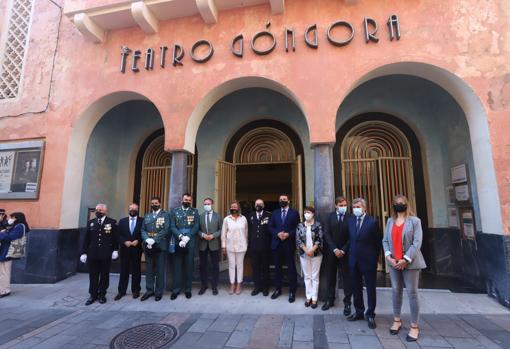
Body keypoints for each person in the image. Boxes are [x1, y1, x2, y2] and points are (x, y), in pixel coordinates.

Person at [383, 194, 426, 342]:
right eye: (396, 203)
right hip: (393, 262)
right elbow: (385, 240)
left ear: (406, 204)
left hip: (410, 263)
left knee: (412, 293)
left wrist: (406, 259)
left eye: (401, 203)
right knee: (396, 291)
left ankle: (414, 326)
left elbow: (417, 242)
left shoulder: (415, 221)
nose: (399, 205)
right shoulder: (390, 221)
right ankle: (397, 320)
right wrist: (388, 256)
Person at [345, 198, 381, 329]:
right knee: (356, 288)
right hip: (353, 260)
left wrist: (375, 259)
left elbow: (378, 243)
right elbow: (350, 240)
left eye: (358, 206)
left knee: (371, 288)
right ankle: (359, 311)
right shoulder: (350, 221)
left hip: (368, 261)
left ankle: (370, 313)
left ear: (365, 208)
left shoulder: (372, 222)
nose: (355, 209)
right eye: (354, 207)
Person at [80, 204, 119, 305]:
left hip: (105, 254)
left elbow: (115, 238)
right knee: (93, 275)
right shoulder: (91, 223)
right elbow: (86, 239)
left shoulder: (112, 222)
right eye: (97, 210)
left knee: (104, 275)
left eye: (100, 210)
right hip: (93, 254)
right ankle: (92, 295)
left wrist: (115, 250)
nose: (98, 212)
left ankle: (102, 295)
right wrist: (83, 253)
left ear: (105, 211)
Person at [322, 196, 353, 314]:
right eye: (341, 205)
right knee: (330, 277)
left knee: (347, 279)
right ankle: (329, 300)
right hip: (331, 252)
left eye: (345, 205)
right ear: (336, 206)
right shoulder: (329, 217)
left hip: (346, 253)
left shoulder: (351, 217)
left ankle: (347, 303)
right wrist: (335, 249)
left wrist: (343, 250)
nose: (343, 207)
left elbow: (352, 236)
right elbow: (326, 234)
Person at [269, 193, 300, 303]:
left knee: (291, 268)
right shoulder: (275, 213)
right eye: (281, 199)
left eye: (284, 199)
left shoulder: (294, 213)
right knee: (277, 269)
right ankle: (278, 289)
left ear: (288, 201)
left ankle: (292, 291)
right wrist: (277, 234)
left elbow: (297, 228)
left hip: (289, 244)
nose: (282, 200)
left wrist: (288, 234)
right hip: (276, 244)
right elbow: (270, 227)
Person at [170, 193, 200, 300]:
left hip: (190, 241)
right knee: (177, 266)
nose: (187, 201)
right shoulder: (175, 211)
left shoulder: (194, 212)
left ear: (191, 201)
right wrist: (180, 236)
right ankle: (176, 290)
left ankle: (188, 289)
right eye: (185, 199)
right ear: (181, 200)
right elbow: (172, 226)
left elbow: (196, 226)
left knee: (189, 266)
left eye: (188, 200)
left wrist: (188, 237)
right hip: (178, 240)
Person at [141, 196, 169, 302]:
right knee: (149, 269)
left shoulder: (165, 215)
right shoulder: (147, 216)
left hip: (160, 245)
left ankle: (159, 291)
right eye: (152, 203)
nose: (154, 204)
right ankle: (149, 290)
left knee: (160, 269)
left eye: (156, 203)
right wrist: (147, 239)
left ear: (160, 204)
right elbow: (143, 229)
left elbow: (166, 229)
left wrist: (155, 239)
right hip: (148, 245)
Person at [115, 203, 144, 301]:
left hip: (136, 249)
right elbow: (118, 235)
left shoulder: (142, 221)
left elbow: (144, 233)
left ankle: (136, 290)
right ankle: (121, 291)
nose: (132, 210)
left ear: (138, 210)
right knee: (124, 270)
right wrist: (124, 241)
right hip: (125, 249)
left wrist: (138, 240)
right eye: (131, 208)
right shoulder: (122, 221)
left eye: (135, 209)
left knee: (136, 271)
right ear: (128, 209)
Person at [296, 206, 323, 308]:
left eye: (308, 212)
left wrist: (312, 250)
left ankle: (314, 298)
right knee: (307, 276)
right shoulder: (300, 225)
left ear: (313, 214)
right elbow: (298, 240)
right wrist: (306, 250)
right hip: (304, 254)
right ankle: (308, 297)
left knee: (315, 276)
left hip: (316, 254)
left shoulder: (318, 225)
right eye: (305, 212)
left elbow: (320, 238)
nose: (306, 214)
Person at [221, 201, 248, 295]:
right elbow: (223, 233)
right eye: (232, 207)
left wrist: (246, 244)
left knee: (240, 266)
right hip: (230, 246)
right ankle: (232, 284)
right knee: (231, 266)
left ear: (238, 208)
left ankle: (239, 284)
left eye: (235, 207)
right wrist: (223, 246)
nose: (233, 208)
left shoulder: (243, 219)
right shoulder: (226, 219)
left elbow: (246, 232)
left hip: (241, 246)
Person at [0, 212, 29, 298]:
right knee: (3, 271)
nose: (10, 219)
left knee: (4, 272)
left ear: (17, 218)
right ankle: (4, 289)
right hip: (5, 250)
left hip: (8, 251)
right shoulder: (16, 226)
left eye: (12, 217)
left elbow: (10, 237)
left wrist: (2, 233)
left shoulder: (19, 226)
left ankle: (4, 290)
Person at [247, 199, 272, 296]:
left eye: (260, 204)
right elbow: (248, 230)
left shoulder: (269, 215)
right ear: (254, 205)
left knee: (265, 268)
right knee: (255, 268)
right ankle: (257, 287)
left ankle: (265, 288)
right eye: (256, 203)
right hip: (254, 247)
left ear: (264, 205)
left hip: (265, 246)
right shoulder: (250, 215)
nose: (258, 205)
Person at [198, 198, 222, 296]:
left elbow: (221, 229)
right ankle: (204, 285)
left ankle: (214, 286)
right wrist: (203, 235)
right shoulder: (200, 216)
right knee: (202, 266)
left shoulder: (218, 216)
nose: (206, 205)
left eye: (208, 204)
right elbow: (197, 229)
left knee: (215, 266)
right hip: (203, 244)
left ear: (212, 204)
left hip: (214, 244)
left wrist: (213, 235)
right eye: (205, 204)